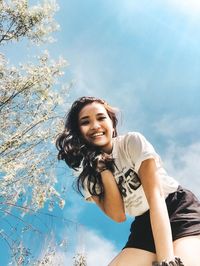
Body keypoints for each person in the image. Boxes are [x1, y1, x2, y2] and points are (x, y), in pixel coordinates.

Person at [56, 96, 200, 266]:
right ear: (78, 130)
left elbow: (156, 197)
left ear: (112, 122)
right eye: (85, 122)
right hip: (143, 224)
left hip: (175, 208)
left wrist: (167, 260)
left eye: (101, 118)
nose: (95, 126)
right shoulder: (88, 179)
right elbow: (118, 215)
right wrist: (103, 170)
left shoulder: (131, 142)